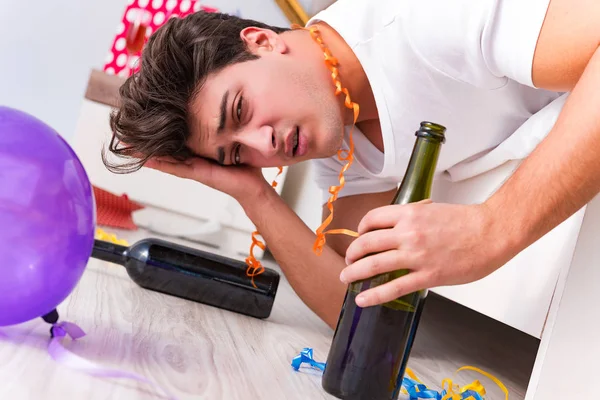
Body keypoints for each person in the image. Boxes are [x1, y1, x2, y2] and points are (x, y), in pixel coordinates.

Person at [103, 0, 600, 330]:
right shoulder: (339, 131)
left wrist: (495, 227)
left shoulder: (421, 20)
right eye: (238, 152)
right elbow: (353, 304)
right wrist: (250, 191)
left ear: (262, 41)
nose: (263, 143)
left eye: (240, 110)